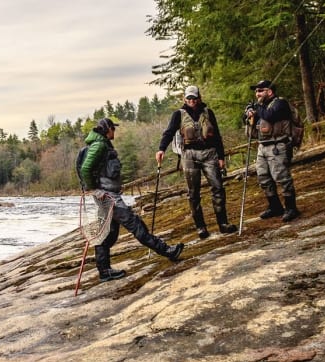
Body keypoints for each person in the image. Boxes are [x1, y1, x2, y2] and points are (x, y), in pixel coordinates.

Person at [80, 118, 185, 282]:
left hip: (108, 196)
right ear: (107, 129)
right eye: (113, 129)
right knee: (136, 226)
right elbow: (86, 168)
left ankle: (104, 271)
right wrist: (95, 190)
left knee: (108, 234)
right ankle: (167, 251)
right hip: (108, 198)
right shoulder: (99, 145)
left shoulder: (101, 144)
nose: (114, 131)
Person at [155, 86, 238, 239]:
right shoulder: (178, 114)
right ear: (185, 99)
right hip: (189, 155)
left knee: (218, 188)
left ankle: (223, 223)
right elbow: (169, 132)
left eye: (194, 98)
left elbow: (217, 135)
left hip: (210, 154)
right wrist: (161, 149)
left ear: (199, 98)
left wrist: (221, 157)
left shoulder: (208, 112)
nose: (192, 101)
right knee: (193, 193)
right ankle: (201, 227)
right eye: (189, 98)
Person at [245, 80, 300, 222]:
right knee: (263, 177)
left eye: (260, 90)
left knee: (282, 177)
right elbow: (248, 121)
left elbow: (270, 116)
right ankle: (275, 206)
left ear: (269, 91)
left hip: (278, 145)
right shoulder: (261, 106)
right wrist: (249, 112)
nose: (257, 93)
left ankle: (291, 208)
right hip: (262, 146)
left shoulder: (280, 103)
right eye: (256, 91)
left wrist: (256, 107)